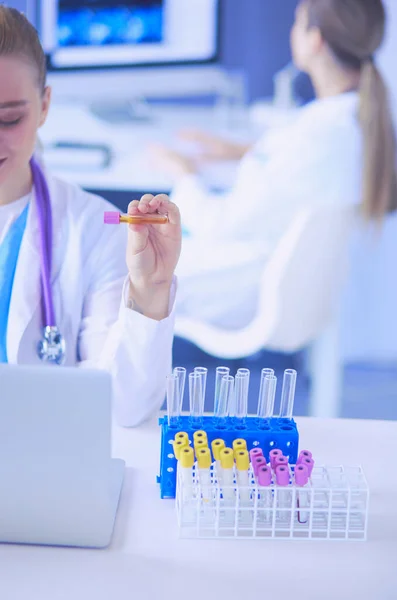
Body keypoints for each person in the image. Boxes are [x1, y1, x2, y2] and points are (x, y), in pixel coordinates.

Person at [153, 0, 397, 330]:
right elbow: (296, 166)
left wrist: (184, 173)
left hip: (239, 284)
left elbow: (220, 223)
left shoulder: (314, 137)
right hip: (274, 276)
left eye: (298, 22)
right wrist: (241, 151)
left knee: (115, 271)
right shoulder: (347, 122)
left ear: (315, 40)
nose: (291, 32)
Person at [0, 6, 182, 426]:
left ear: (45, 106)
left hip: (41, 470)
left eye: (9, 118)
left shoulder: (93, 230)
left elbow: (122, 410)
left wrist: (149, 290)